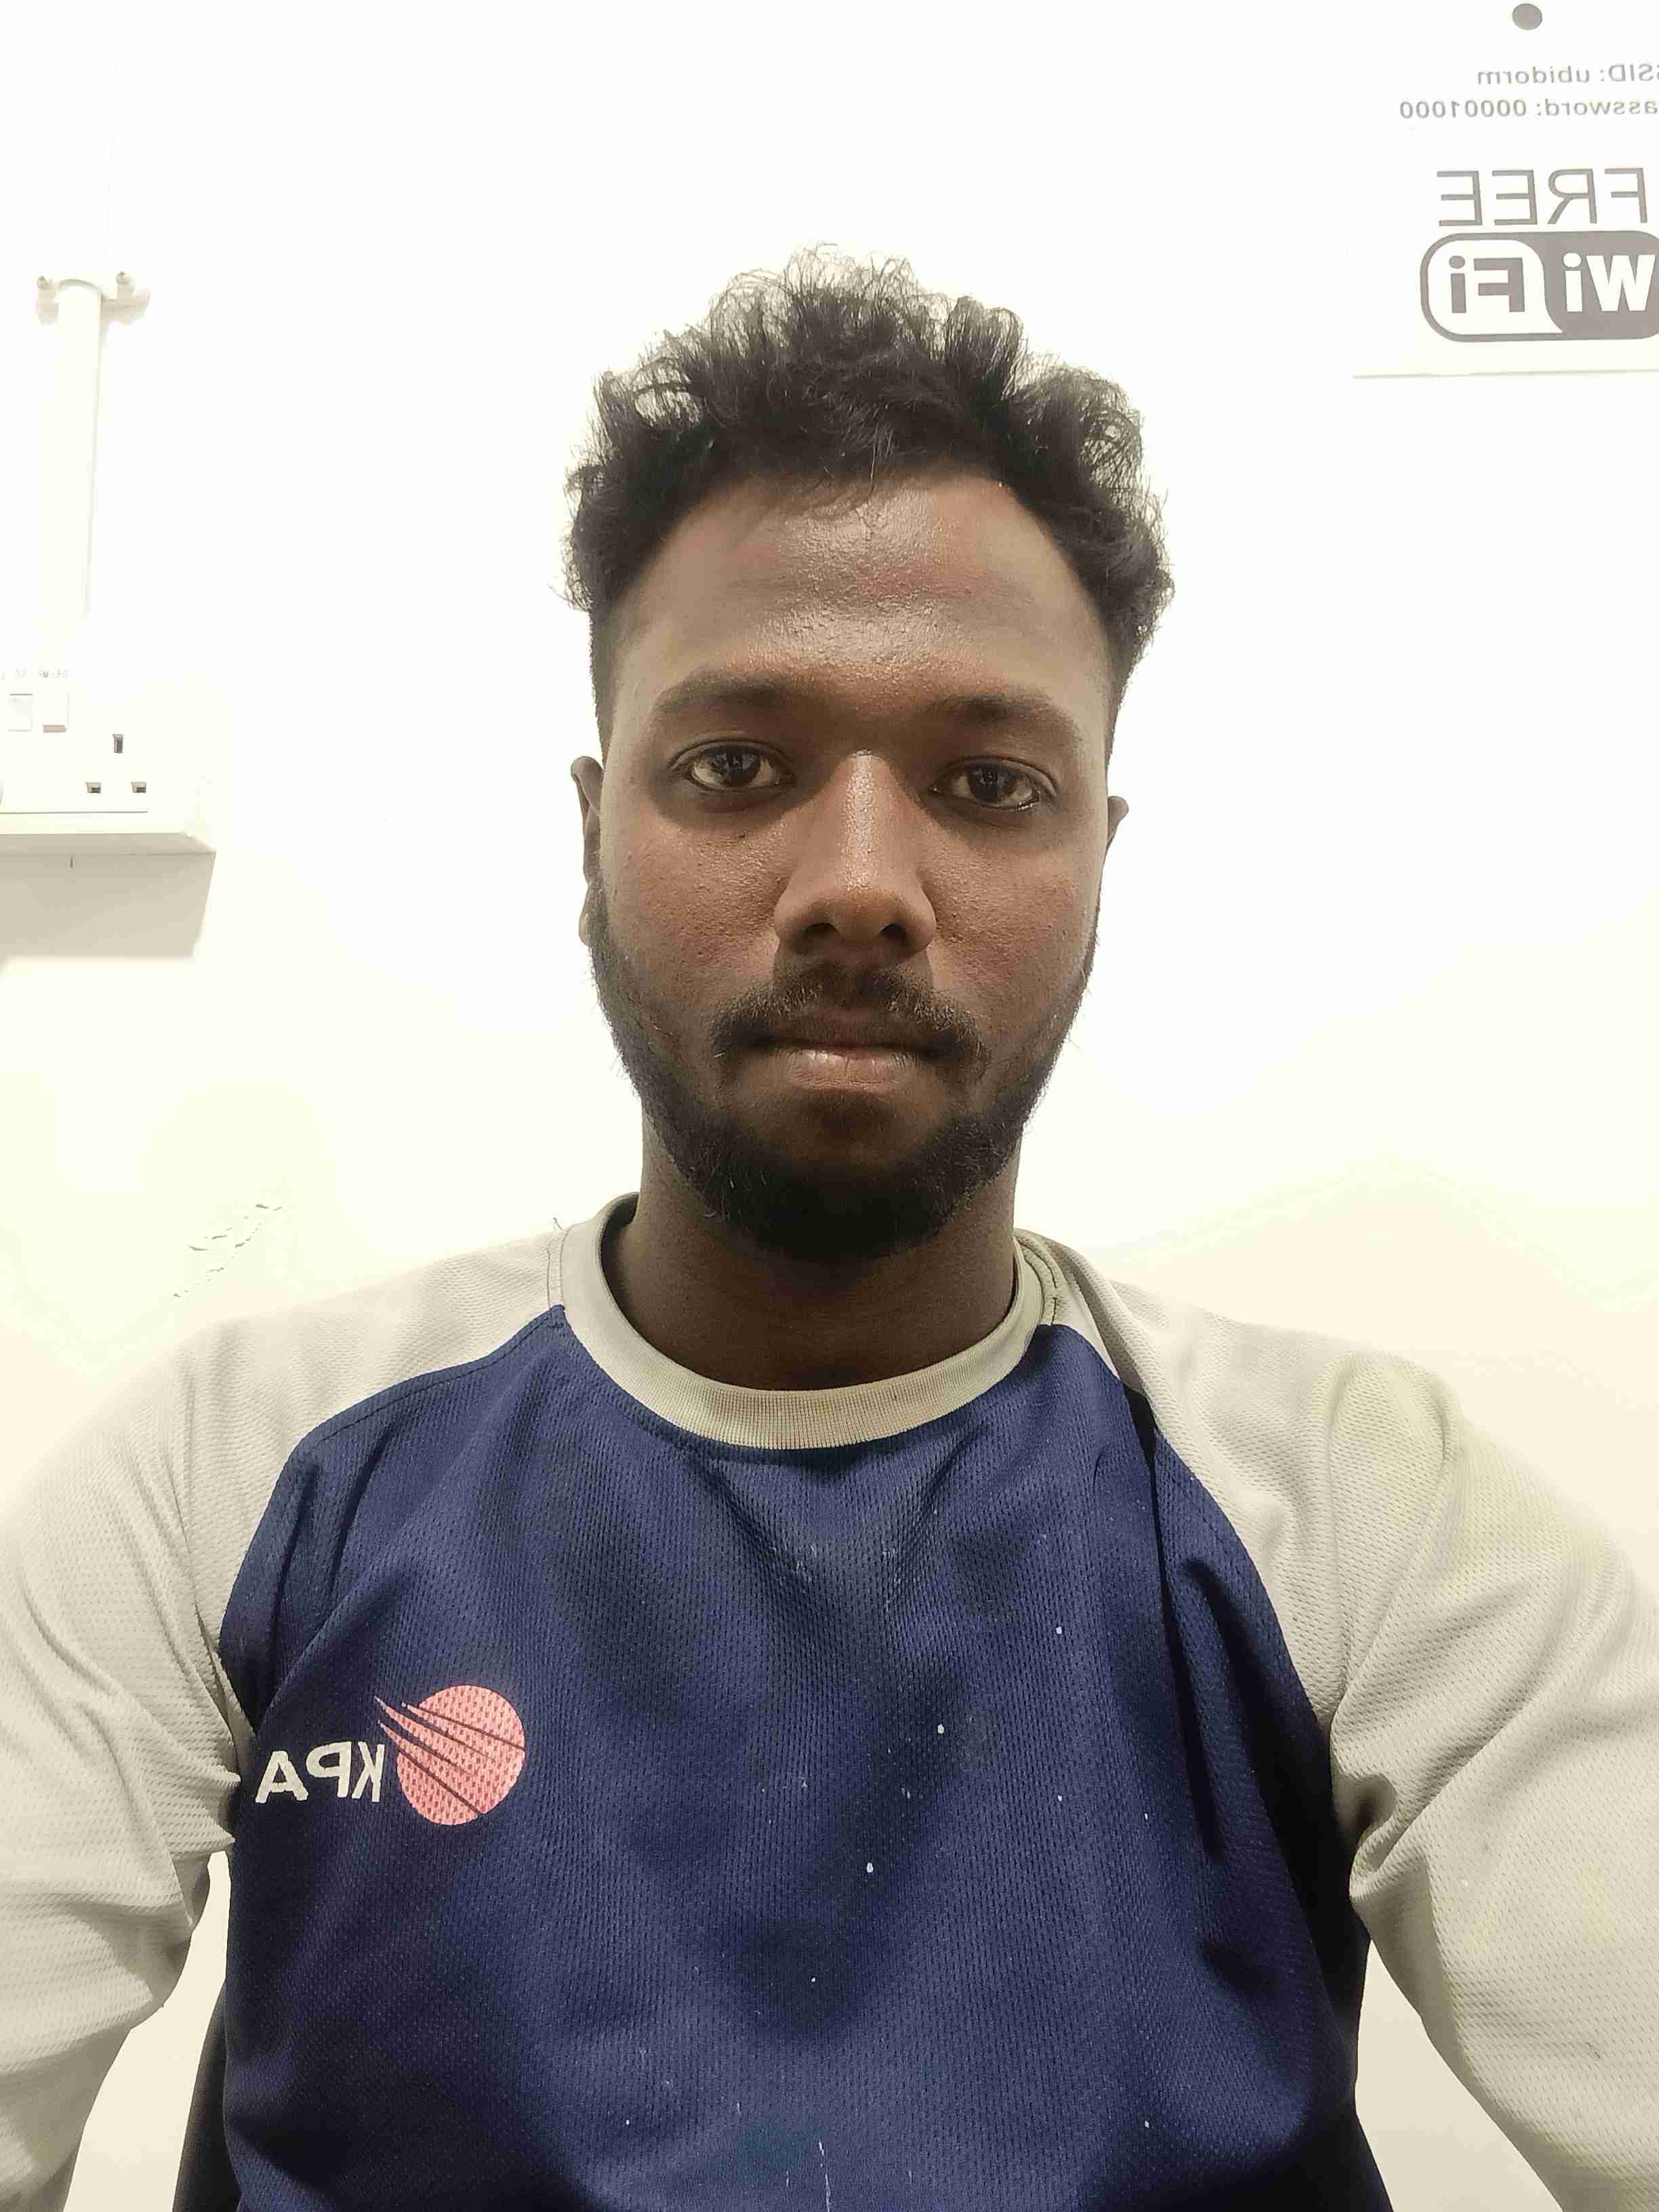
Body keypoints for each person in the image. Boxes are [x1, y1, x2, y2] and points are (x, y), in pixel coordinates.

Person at [3, 245, 1654, 2212]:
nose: (860, 883)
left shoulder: (1369, 1513)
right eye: (737, 769)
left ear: (1098, 856)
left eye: (988, 782)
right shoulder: (238, 1474)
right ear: (594, 834)